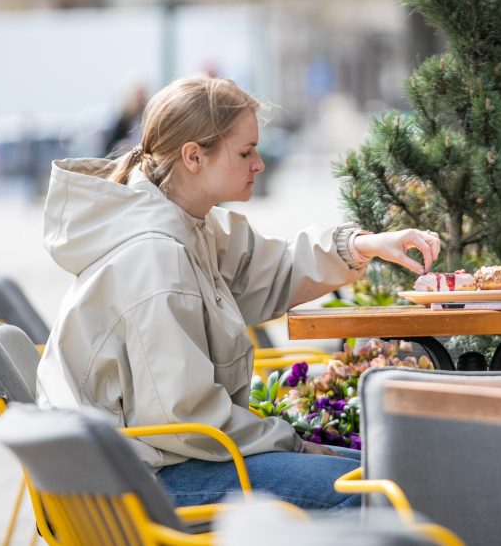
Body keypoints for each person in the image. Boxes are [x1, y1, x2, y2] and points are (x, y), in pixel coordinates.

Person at [36, 76, 442, 510]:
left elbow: (271, 269)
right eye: (245, 152)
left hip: (154, 461)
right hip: (138, 484)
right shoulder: (156, 256)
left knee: (382, 472)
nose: (259, 164)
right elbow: (186, 420)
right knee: (372, 492)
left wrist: (362, 245)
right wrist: (293, 442)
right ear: (193, 156)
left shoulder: (188, 225)